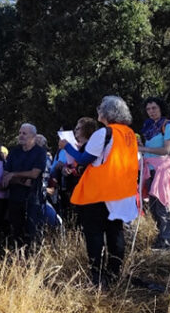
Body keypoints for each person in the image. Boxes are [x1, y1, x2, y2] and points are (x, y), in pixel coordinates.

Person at [59, 97, 138, 288]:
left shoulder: (104, 132)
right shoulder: (129, 134)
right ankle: (114, 273)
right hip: (121, 193)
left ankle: (98, 277)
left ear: (107, 112)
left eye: (100, 108)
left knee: (94, 234)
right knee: (115, 233)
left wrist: (66, 146)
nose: (98, 111)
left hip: (98, 193)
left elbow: (83, 159)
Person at [138, 97, 170, 251]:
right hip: (149, 169)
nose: (151, 111)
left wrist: (143, 149)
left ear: (161, 108)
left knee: (164, 205)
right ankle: (162, 238)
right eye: (148, 109)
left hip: (162, 169)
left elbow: (165, 150)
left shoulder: (168, 125)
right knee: (154, 207)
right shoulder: (148, 126)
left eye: (154, 108)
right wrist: (141, 145)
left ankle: (169, 243)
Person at [1, 124, 47, 250]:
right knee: (16, 231)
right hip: (15, 197)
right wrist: (21, 181)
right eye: (20, 133)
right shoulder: (14, 151)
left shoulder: (40, 152)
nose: (21, 136)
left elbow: (34, 174)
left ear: (33, 136)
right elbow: (5, 175)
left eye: (24, 133)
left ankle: (32, 257)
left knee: (32, 231)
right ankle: (17, 257)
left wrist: (13, 175)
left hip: (33, 198)